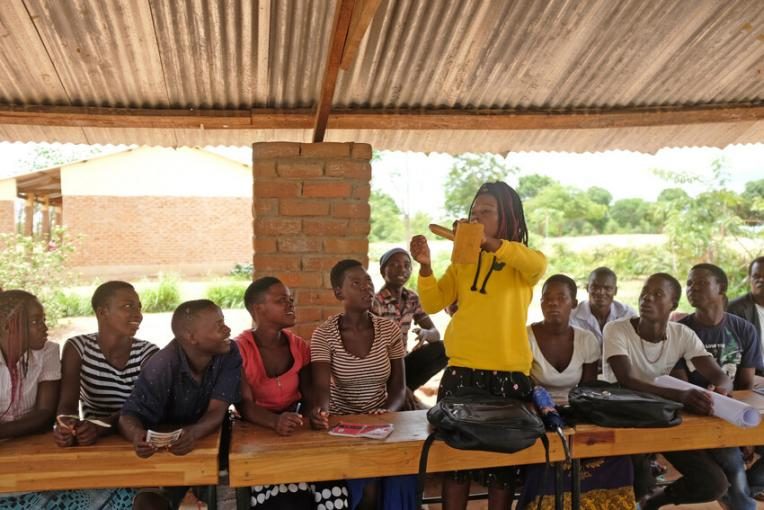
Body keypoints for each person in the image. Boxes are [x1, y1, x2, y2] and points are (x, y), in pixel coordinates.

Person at [411, 181, 547, 510]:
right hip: (461, 374)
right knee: (455, 467)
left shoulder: (523, 262)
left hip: (508, 376)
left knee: (501, 470)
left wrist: (489, 242)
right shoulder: (463, 259)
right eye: (474, 211)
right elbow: (433, 302)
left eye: (487, 211)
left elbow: (537, 265)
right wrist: (426, 266)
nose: (477, 217)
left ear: (508, 218)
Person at [603, 273, 733, 510]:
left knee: (714, 484)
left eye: (657, 294)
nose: (647, 299)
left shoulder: (681, 334)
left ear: (673, 304)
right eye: (644, 292)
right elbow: (627, 380)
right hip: (622, 420)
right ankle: (643, 494)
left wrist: (722, 389)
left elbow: (718, 374)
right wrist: (681, 396)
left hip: (661, 418)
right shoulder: (616, 329)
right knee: (637, 487)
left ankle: (656, 501)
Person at [0, 290, 134, 509]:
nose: (44, 327)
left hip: (36, 454)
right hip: (8, 462)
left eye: (43, 320)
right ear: (8, 327)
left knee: (121, 493)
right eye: (36, 321)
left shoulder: (48, 352)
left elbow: (45, 414)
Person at [519, 275, 634, 508]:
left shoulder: (586, 340)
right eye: (547, 299)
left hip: (577, 413)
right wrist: (548, 414)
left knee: (617, 454)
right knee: (546, 456)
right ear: (540, 304)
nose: (553, 303)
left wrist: (577, 422)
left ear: (573, 303)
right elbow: (522, 388)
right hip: (538, 415)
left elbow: (587, 392)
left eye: (561, 298)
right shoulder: (525, 338)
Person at [236, 277, 348, 509]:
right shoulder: (238, 350)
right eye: (281, 301)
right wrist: (275, 422)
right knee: (284, 495)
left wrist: (316, 414)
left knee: (331, 488)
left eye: (291, 300)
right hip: (256, 431)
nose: (290, 305)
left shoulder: (299, 347)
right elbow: (244, 404)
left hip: (295, 429)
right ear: (258, 309)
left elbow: (310, 396)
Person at [310, 259, 414, 510]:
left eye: (368, 282)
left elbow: (399, 387)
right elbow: (322, 389)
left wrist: (387, 411)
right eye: (355, 283)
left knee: (405, 473)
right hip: (344, 423)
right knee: (366, 487)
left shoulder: (389, 330)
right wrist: (321, 413)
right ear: (338, 292)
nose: (366, 288)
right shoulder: (324, 334)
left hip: (383, 420)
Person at [119, 299, 242, 510]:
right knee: (153, 500)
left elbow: (217, 410)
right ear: (191, 337)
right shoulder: (161, 365)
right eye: (218, 325)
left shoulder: (229, 352)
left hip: (208, 441)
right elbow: (128, 415)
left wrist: (193, 433)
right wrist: (136, 435)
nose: (228, 330)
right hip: (166, 452)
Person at [673, 263, 762, 510]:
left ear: (720, 287)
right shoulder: (681, 332)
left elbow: (745, 386)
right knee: (732, 463)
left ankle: (754, 483)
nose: (692, 288)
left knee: (740, 468)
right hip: (700, 417)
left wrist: (746, 433)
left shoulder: (743, 329)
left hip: (737, 414)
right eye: (689, 283)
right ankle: (745, 500)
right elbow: (683, 390)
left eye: (700, 283)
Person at [54, 281, 158, 447]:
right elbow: (67, 404)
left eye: (138, 307)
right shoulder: (78, 348)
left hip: (135, 438)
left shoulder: (147, 354)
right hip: (90, 438)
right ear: (102, 312)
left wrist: (100, 426)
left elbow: (144, 408)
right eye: (127, 306)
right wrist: (66, 427)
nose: (138, 314)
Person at [372, 247, 446, 396]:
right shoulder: (375, 302)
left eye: (407, 265)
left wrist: (426, 333)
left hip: (402, 364)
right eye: (394, 265)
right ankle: (398, 392)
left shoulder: (412, 298)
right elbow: (372, 351)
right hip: (380, 368)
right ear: (382, 271)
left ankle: (403, 391)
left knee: (443, 348)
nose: (402, 270)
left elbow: (435, 333)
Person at [570, 266, 636, 346]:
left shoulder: (627, 315)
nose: (600, 292)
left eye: (607, 288)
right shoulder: (573, 316)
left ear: (615, 291)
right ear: (587, 288)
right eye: (595, 287)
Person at [728, 256, 764, 362]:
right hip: (754, 373)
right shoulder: (734, 309)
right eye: (756, 276)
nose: (761, 280)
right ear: (749, 279)